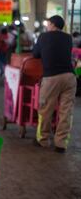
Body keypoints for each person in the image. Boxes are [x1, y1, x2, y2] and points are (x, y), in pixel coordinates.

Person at [33, 15, 76, 153]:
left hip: (52, 77)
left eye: (48, 23)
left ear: (52, 24)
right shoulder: (68, 38)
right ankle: (61, 143)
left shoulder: (43, 37)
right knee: (66, 111)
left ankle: (43, 140)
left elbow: (35, 55)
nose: (46, 26)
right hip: (70, 77)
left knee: (45, 109)